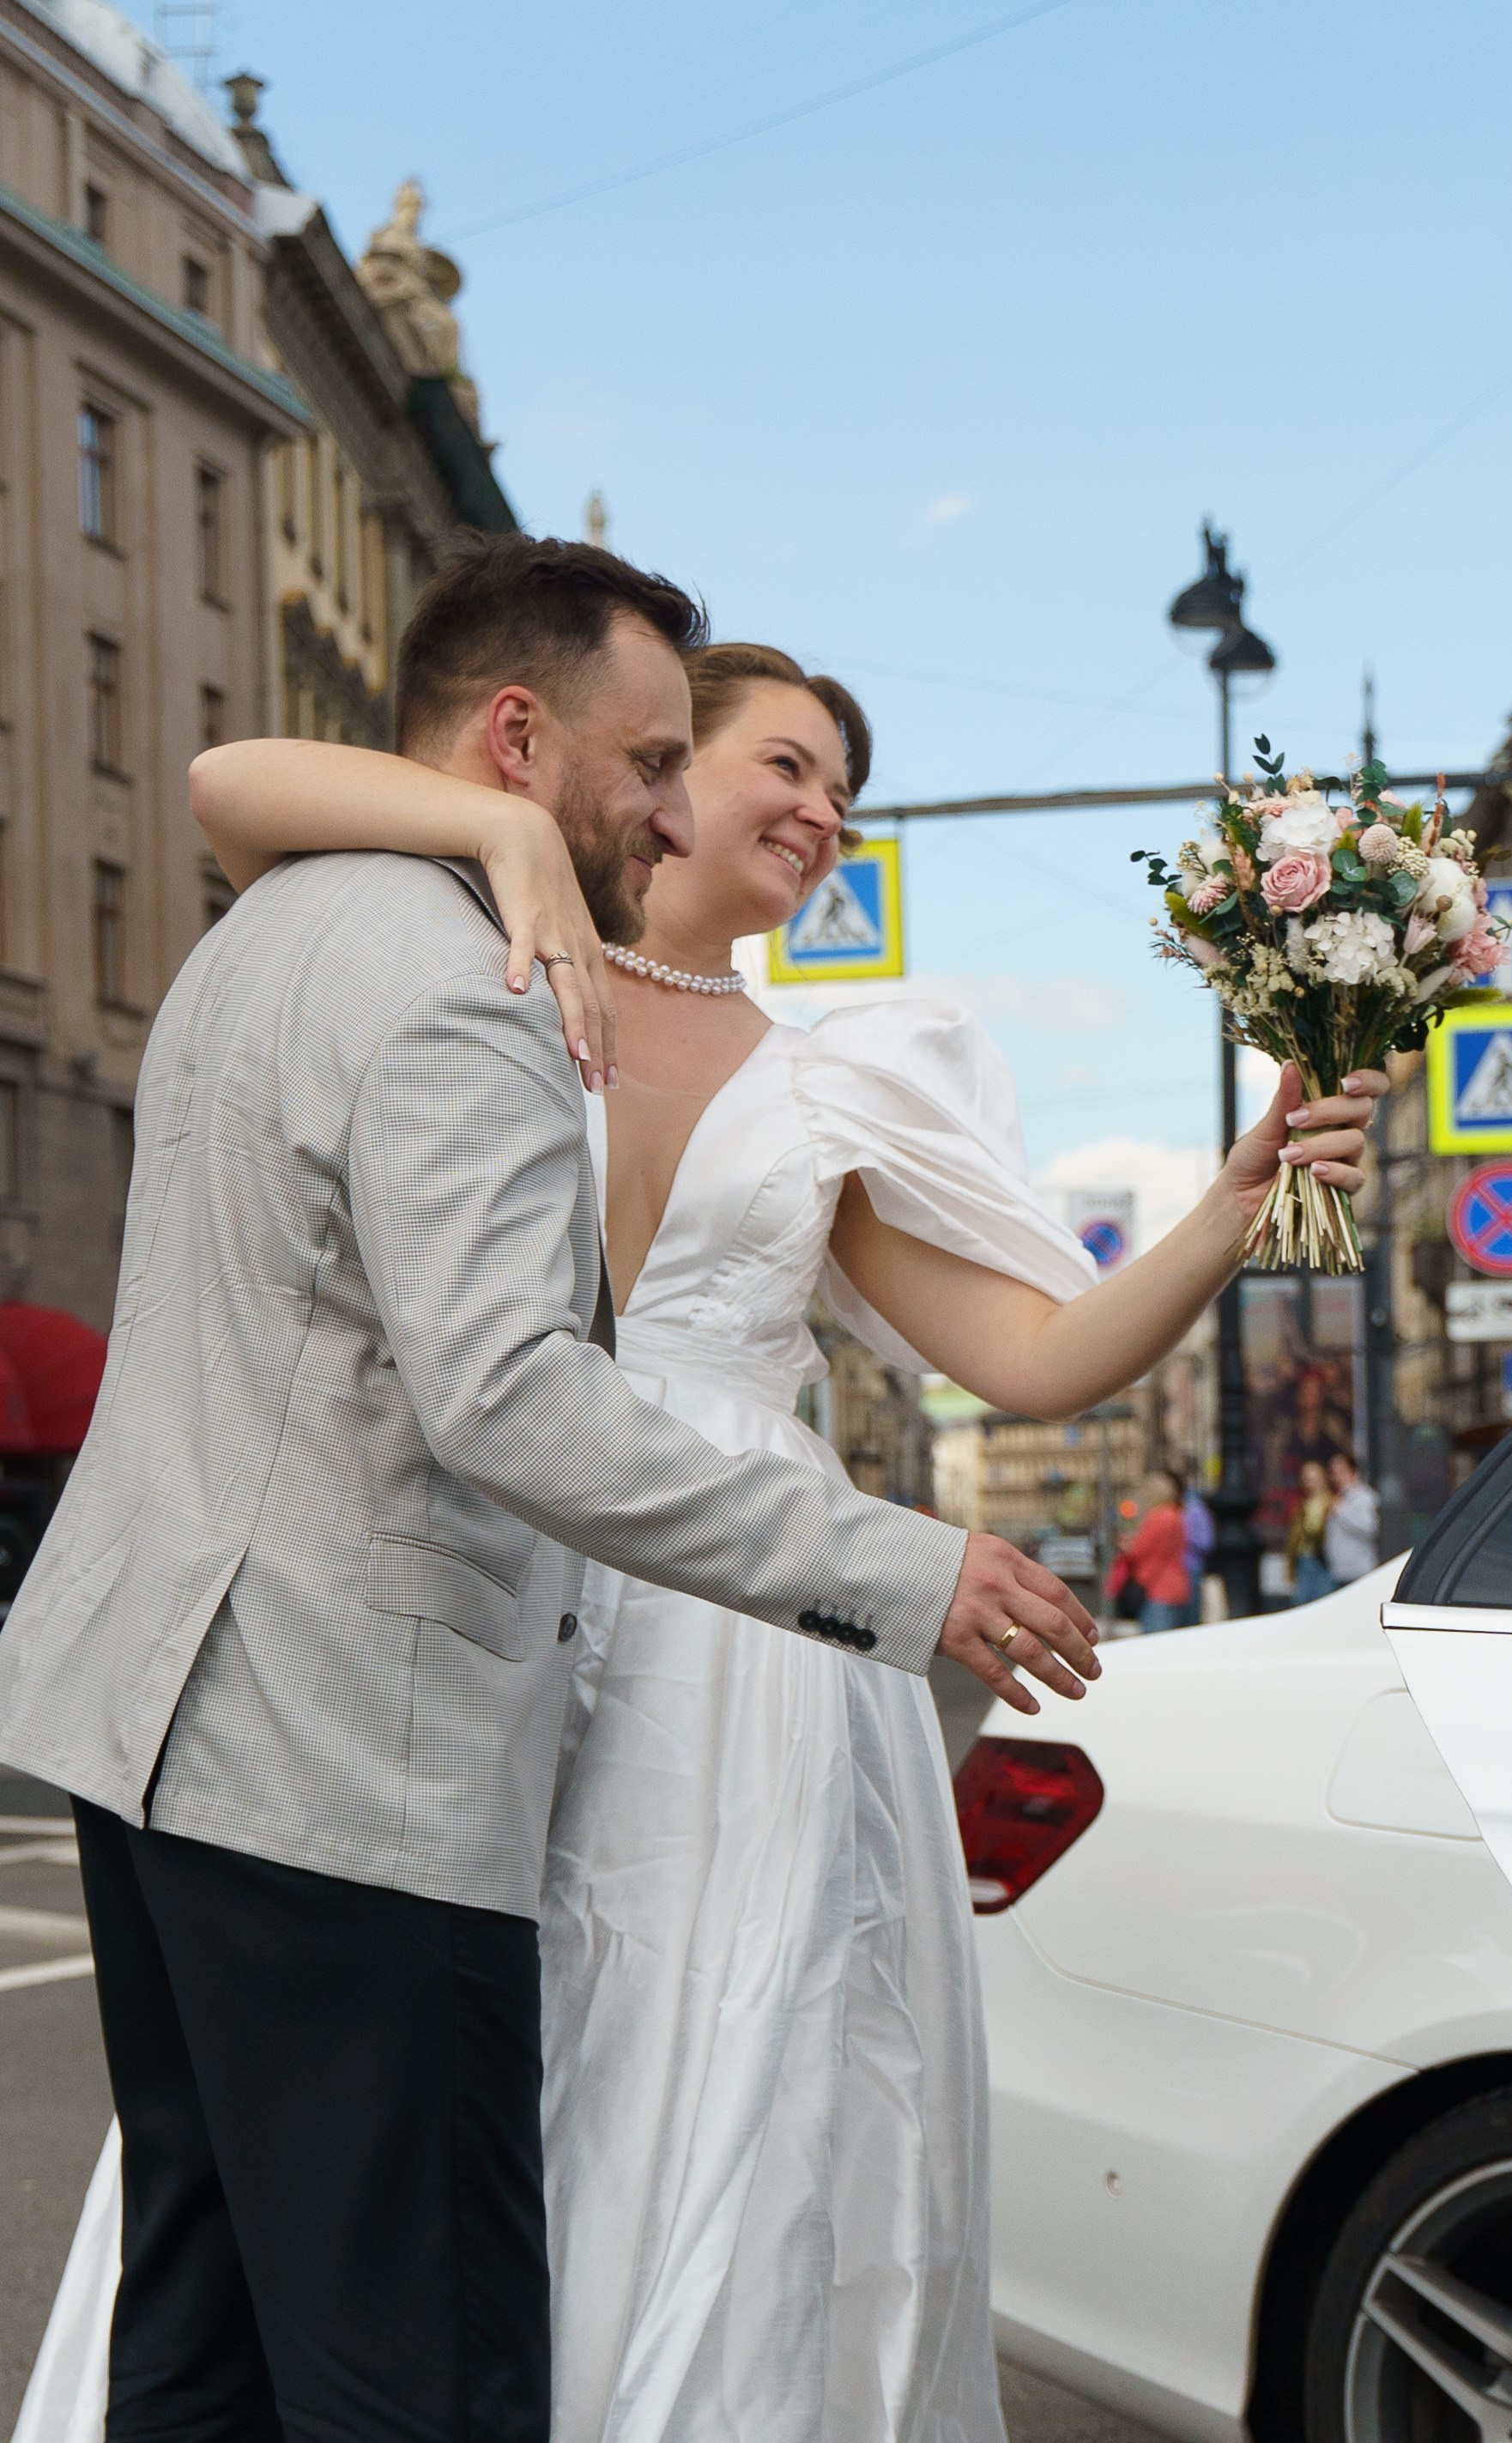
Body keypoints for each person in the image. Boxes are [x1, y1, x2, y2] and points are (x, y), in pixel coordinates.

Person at [15, 584, 1385, 2442]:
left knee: (586, 2152)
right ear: (562, 753)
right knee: (395, 2287)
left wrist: (1230, 1205)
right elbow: (505, 1386)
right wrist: (499, 831)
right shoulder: (470, 952)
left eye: (845, 787)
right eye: (741, 759)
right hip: (422, 1655)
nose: (806, 810)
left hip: (668, 1669)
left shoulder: (797, 1063)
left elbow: (1040, 1356)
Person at [1124, 1470, 1192, 1634]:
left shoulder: (1157, 1517)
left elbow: (1139, 1550)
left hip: (1158, 1589)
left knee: (1153, 1645)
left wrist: (1126, 1544)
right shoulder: (1176, 1515)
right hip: (1179, 1585)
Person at [1323, 1450, 1382, 1585]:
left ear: (1354, 1472)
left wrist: (1341, 1511)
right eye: (1333, 1473)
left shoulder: (1364, 1497)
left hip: (1358, 1571)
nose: (1337, 1478)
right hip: (1338, 1571)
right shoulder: (1337, 1498)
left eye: (1341, 1473)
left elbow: (1369, 1528)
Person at [1287, 1458, 1335, 1603]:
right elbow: (1294, 1539)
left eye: (1313, 1478)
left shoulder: (1332, 1502)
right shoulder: (1303, 1505)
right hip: (1304, 1560)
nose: (1309, 1482)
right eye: (1306, 1478)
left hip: (1323, 1561)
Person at [1179, 1476, 1215, 1626]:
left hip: (1191, 1566)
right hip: (1184, 1568)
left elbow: (1206, 1542)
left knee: (1192, 1614)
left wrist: (1185, 1539)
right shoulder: (1190, 1509)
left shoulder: (1195, 1510)